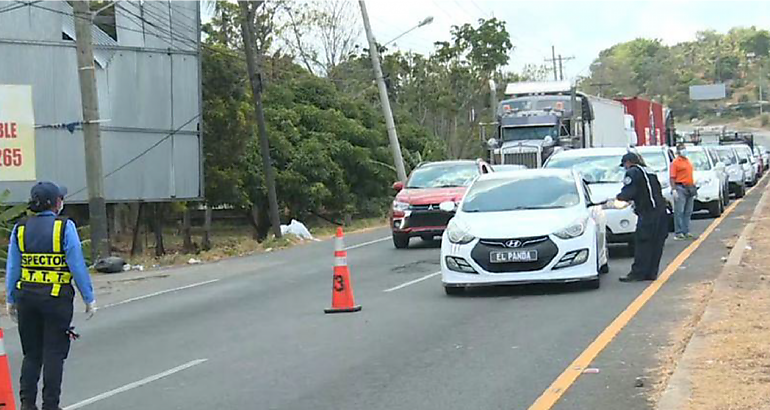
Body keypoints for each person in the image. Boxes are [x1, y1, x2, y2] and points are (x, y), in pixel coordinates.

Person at [5, 182, 96, 410]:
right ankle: (50, 405)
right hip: (56, 301)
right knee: (54, 354)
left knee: (32, 354)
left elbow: (13, 267)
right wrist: (88, 297)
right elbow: (77, 264)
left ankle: (27, 404)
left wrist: (10, 299)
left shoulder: (21, 227)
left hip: (26, 300)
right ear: (56, 203)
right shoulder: (64, 227)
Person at [616, 153, 669, 282]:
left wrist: (619, 198)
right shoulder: (649, 171)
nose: (625, 168)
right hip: (661, 211)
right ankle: (651, 272)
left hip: (648, 213)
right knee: (656, 244)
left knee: (643, 242)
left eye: (625, 165)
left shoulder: (633, 172)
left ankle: (638, 273)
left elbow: (629, 191)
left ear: (629, 162)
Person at [670, 143, 697, 240]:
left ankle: (686, 230)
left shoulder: (687, 161)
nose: (684, 150)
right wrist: (673, 190)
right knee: (679, 211)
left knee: (688, 211)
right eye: (681, 149)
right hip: (680, 187)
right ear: (678, 151)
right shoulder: (675, 163)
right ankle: (679, 232)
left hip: (690, 187)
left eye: (684, 148)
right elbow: (672, 177)